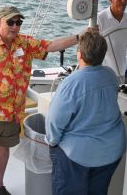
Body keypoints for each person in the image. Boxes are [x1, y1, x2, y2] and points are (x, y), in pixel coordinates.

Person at [0, 6, 80, 195]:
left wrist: (78, 38)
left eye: (18, 22)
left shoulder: (24, 43)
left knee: (4, 149)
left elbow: (50, 46)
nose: (15, 26)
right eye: (10, 22)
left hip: (13, 112)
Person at [45, 32, 126, 195]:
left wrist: (52, 142)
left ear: (79, 54)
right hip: (112, 150)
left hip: (78, 155)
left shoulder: (71, 84)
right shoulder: (110, 75)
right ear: (103, 55)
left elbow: (54, 122)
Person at [98, 0, 127, 83]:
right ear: (111, 0)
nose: (124, 1)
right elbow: (90, 47)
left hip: (124, 73)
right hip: (103, 74)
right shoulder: (99, 19)